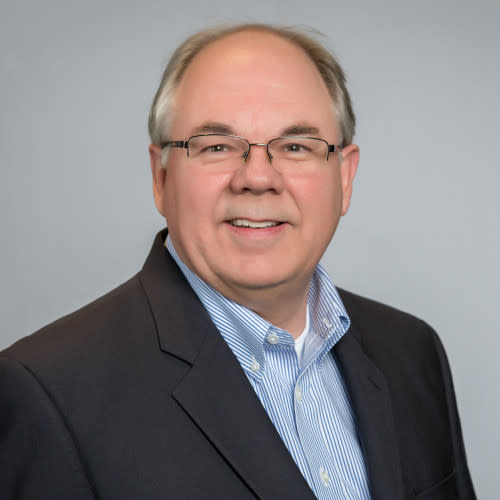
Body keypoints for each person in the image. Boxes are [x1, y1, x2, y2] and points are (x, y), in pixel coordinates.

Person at [0, 23, 475, 499]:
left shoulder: (413, 353)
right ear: (161, 176)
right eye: (217, 146)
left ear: (344, 178)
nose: (257, 178)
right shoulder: (48, 393)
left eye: (295, 146)